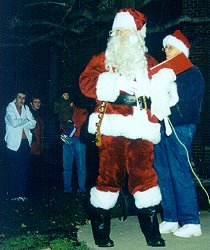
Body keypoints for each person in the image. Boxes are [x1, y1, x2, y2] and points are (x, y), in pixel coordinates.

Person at [79, 8, 171, 248]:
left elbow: (163, 91)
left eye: (127, 30)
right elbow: (85, 83)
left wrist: (165, 90)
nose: (121, 34)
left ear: (138, 33)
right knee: (109, 177)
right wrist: (112, 83)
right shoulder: (103, 58)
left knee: (145, 177)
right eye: (118, 30)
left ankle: (152, 234)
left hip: (142, 128)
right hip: (113, 126)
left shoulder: (150, 62)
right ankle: (101, 233)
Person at [153, 30, 204, 238]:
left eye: (171, 47)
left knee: (180, 171)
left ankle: (191, 221)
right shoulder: (163, 73)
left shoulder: (192, 73)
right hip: (161, 127)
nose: (166, 51)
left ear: (181, 51)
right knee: (163, 172)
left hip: (180, 127)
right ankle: (171, 218)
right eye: (165, 47)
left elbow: (185, 98)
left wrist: (167, 85)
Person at [4, 90, 36, 201]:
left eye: (23, 97)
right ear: (15, 98)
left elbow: (33, 124)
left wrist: (23, 120)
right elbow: (13, 122)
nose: (21, 100)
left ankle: (21, 194)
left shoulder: (26, 109)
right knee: (14, 169)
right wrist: (26, 120)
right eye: (19, 97)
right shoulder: (9, 108)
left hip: (25, 143)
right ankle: (14, 195)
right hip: (13, 144)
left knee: (24, 169)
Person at [60, 102, 88, 194]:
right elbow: (62, 123)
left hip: (79, 141)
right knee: (66, 167)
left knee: (81, 167)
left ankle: (81, 189)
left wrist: (73, 124)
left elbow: (81, 124)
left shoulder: (85, 110)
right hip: (67, 139)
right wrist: (64, 126)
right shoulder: (68, 109)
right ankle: (67, 189)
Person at [29, 95, 45, 195]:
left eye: (39, 102)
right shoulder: (30, 114)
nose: (38, 104)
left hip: (39, 147)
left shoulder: (38, 114)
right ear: (31, 103)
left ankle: (35, 191)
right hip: (32, 146)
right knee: (31, 169)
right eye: (35, 101)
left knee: (36, 169)